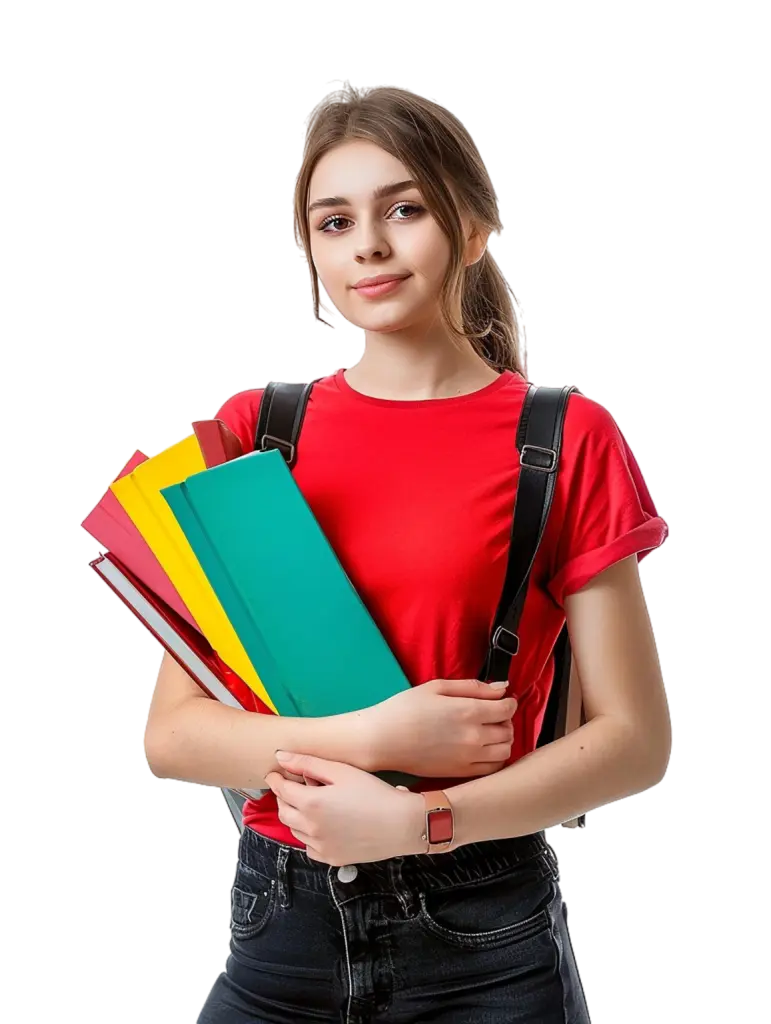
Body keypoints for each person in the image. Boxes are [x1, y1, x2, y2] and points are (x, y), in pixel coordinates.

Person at [144, 83, 671, 1023]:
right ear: (311, 252)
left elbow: (634, 741)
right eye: (336, 221)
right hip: (280, 923)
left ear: (472, 227)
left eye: (405, 208)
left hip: (486, 938)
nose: (370, 247)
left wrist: (422, 822)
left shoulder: (563, 437)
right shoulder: (254, 434)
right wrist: (372, 740)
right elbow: (173, 737)